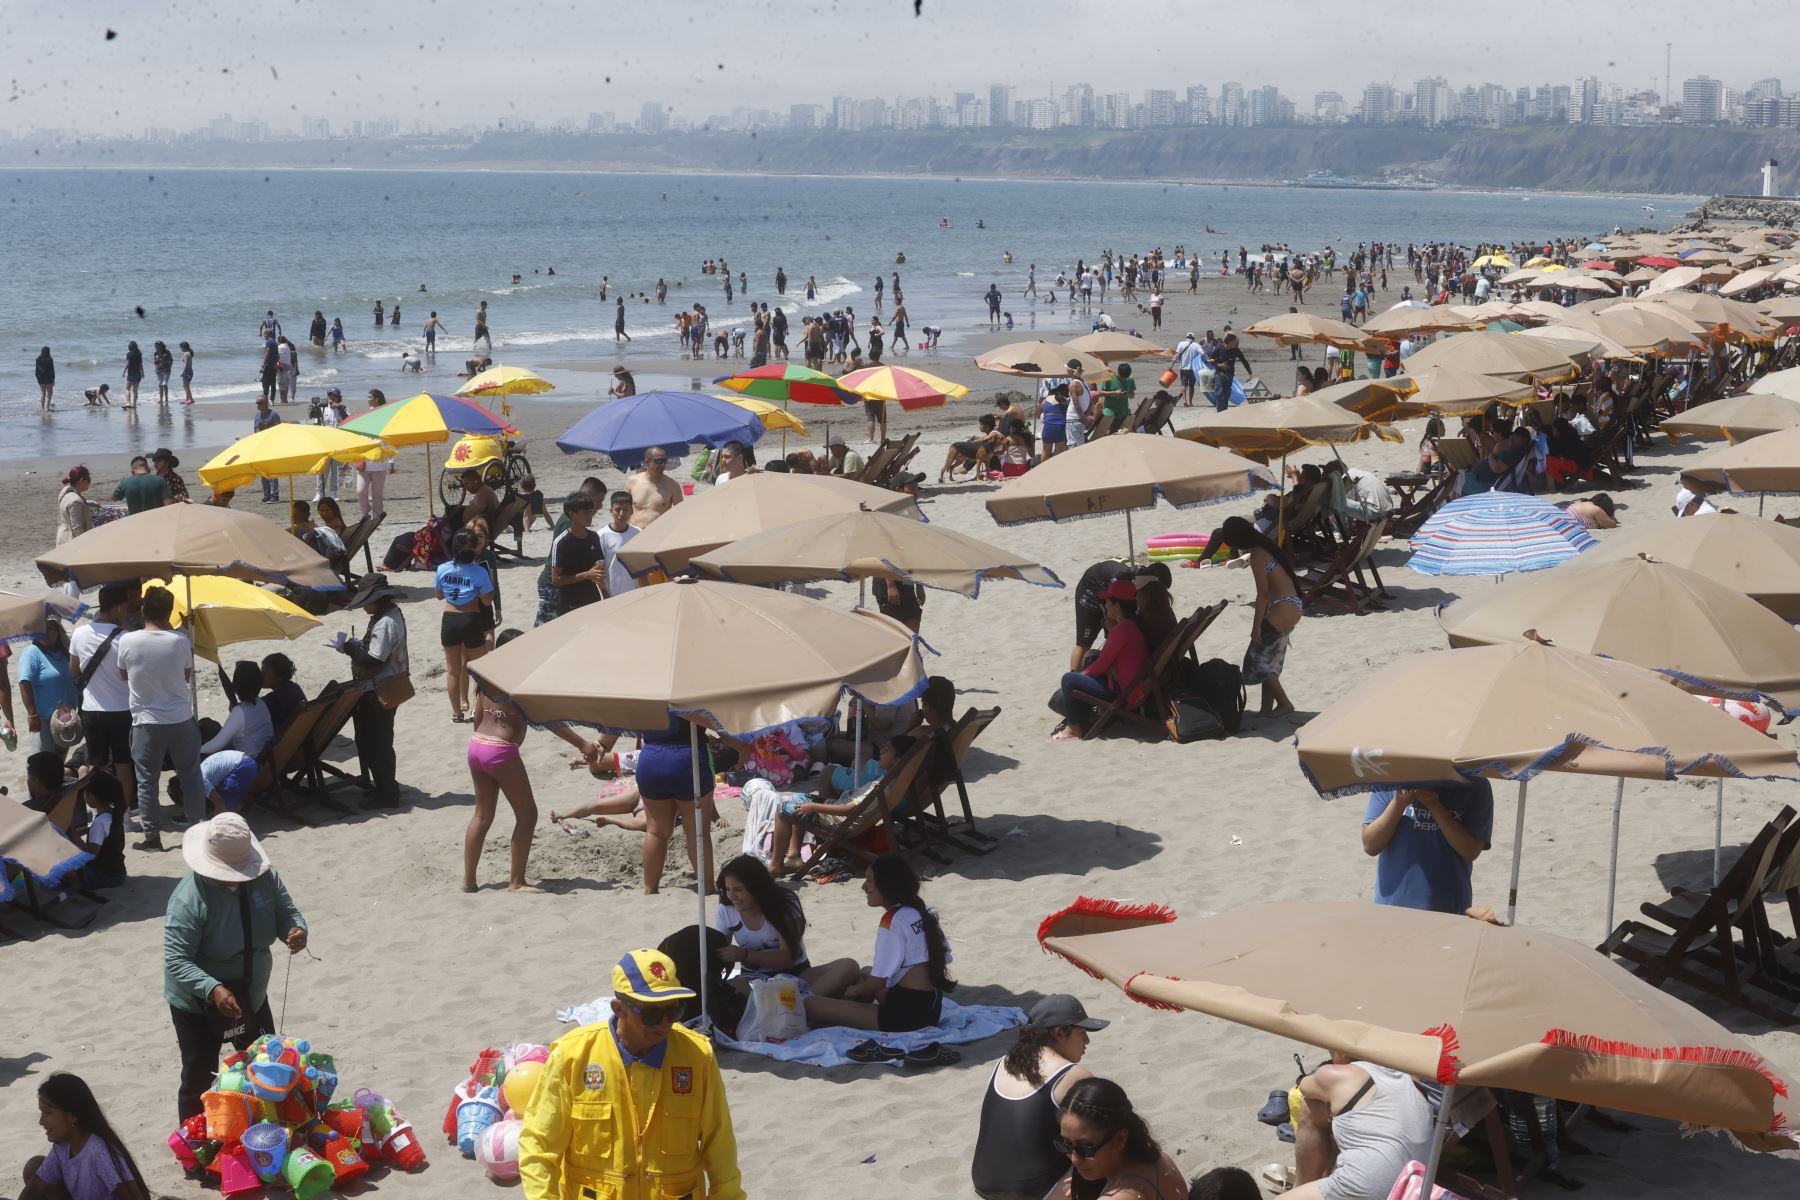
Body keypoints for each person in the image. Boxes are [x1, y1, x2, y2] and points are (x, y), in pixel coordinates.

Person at [517, 948, 745, 1200]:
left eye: (674, 1010)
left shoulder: (697, 1056)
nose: (665, 1023)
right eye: (652, 1014)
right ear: (618, 1008)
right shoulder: (572, 1057)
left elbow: (719, 1143)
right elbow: (539, 1144)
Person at [163, 812, 307, 1124]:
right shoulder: (189, 899)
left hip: (250, 990)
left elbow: (286, 911)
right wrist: (212, 988)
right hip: (197, 1001)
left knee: (265, 1062)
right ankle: (196, 1141)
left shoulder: (266, 878)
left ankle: (262, 1127)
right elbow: (176, 960)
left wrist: (295, 930)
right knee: (199, 1073)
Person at [465, 629, 596, 893]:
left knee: (481, 815)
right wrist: (582, 743)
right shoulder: (519, 684)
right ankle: (516, 882)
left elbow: (478, 718)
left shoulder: (484, 679)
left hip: (477, 746)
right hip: (501, 751)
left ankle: (468, 881)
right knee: (527, 815)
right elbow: (549, 721)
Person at [971, 995, 1106, 1200]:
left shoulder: (1003, 1063)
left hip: (982, 1183)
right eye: (1082, 1032)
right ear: (1060, 1033)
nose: (1087, 1040)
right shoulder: (1072, 1074)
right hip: (1035, 1193)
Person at [803, 854, 954, 1032]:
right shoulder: (923, 910)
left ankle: (841, 1014)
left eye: (869, 881)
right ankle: (847, 1011)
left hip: (906, 1016)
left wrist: (855, 990)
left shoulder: (892, 921)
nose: (864, 887)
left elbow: (876, 984)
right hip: (931, 1005)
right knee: (866, 972)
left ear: (887, 886)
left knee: (811, 1004)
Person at [118, 586, 207, 852]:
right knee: (191, 774)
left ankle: (152, 836)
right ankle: (197, 827)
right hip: (180, 717)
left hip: (147, 720)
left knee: (146, 779)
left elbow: (124, 675)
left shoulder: (128, 641)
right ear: (169, 612)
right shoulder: (180, 640)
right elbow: (186, 675)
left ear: (143, 609)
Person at [1288, 1054, 1436, 1200]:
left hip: (1369, 1185)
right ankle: (1315, 1187)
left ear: (1342, 1052)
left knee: (1311, 1105)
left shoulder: (1334, 1075)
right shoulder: (1410, 1075)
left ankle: (1301, 1186)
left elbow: (1304, 1086)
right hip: (1416, 1182)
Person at [712, 854, 859, 996]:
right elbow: (719, 952)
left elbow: (788, 958)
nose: (731, 896)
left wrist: (744, 955)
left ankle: (796, 1005)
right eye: (727, 889)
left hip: (796, 974)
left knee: (848, 966)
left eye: (738, 889)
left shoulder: (785, 903)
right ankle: (799, 1004)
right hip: (753, 978)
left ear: (757, 887)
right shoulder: (726, 910)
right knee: (727, 989)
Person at [1042, 1077, 1187, 1200]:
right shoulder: (1159, 1158)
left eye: (1085, 1148)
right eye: (1066, 1144)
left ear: (1120, 1139)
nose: (1075, 1159)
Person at [1361, 780, 1493, 914]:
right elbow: (1370, 845)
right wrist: (1398, 804)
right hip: (1392, 908)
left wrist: (1434, 805)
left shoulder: (1475, 785)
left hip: (1448, 911)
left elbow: (1470, 851)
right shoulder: (1392, 779)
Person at [335, 573, 409, 808]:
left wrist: (349, 648)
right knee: (375, 742)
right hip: (383, 686)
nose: (364, 605)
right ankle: (383, 787)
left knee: (376, 744)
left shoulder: (385, 621)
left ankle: (386, 793)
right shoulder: (391, 614)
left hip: (379, 690)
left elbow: (374, 659)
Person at [20, 1072, 150, 1200]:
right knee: (34, 1167)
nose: (41, 1122)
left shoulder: (98, 1152)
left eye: (48, 1112)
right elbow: (35, 1188)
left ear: (73, 1116)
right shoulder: (62, 1148)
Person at [1218, 516, 1300, 720]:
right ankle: (1266, 710)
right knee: (1269, 661)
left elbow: (1262, 593)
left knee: (1255, 662)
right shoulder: (1266, 546)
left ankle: (1285, 703)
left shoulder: (1257, 554)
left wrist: (1256, 626)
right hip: (1293, 605)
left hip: (1282, 607)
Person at [1053, 580, 1146, 741]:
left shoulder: (1123, 630)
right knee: (1090, 660)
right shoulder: (1131, 626)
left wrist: (1082, 675)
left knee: (1068, 679)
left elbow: (1101, 666)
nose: (1106, 605)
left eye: (1108, 602)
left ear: (1117, 606)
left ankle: (1074, 729)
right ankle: (1086, 717)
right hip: (1132, 687)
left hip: (1123, 692)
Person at [636, 715, 717, 895]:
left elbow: (617, 722)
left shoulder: (647, 693)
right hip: (688, 756)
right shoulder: (686, 690)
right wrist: (741, 747)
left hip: (650, 757)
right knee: (698, 832)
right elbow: (712, 719)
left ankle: (650, 889)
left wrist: (599, 745)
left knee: (655, 831)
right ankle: (708, 889)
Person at [70, 584, 137, 796]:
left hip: (92, 710)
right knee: (123, 764)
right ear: (118, 608)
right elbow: (132, 675)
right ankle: (124, 817)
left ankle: (98, 810)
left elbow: (74, 671)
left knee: (95, 765)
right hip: (122, 710)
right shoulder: (126, 637)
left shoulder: (79, 633)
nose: (126, 612)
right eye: (125, 607)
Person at [434, 530, 495, 723]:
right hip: (471, 618)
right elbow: (487, 601)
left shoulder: (443, 568)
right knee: (478, 669)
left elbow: (439, 595)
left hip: (449, 619)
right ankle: (477, 710)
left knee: (453, 670)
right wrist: (475, 592)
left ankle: (456, 713)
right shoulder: (479, 571)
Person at [17, 621, 75, 756]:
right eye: (41, 629)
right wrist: (32, 715)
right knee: (42, 763)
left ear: (58, 632)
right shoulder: (32, 652)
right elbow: (24, 683)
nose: (46, 633)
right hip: (43, 720)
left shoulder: (65, 652)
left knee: (58, 763)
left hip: (65, 719)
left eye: (50, 628)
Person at [199, 660, 275, 758]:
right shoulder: (261, 704)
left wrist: (198, 751)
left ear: (236, 686)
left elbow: (216, 744)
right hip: (264, 758)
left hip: (249, 763)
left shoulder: (240, 712)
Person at [550, 492, 606, 617]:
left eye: (591, 511)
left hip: (593, 601)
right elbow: (556, 580)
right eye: (585, 513)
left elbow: (599, 568)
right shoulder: (561, 542)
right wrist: (586, 575)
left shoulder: (594, 537)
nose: (590, 516)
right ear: (572, 514)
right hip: (569, 605)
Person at [598, 491, 641, 598]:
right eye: (617, 510)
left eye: (626, 509)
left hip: (635, 592)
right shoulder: (602, 535)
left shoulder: (638, 533)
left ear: (631, 511)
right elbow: (599, 569)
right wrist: (604, 593)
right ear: (611, 511)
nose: (621, 514)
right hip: (612, 594)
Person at [627, 449, 683, 527]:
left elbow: (681, 513)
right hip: (636, 534)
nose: (662, 465)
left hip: (660, 534)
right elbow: (624, 508)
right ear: (647, 462)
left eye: (664, 461)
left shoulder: (673, 485)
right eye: (658, 461)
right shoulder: (632, 481)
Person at [259, 653, 305, 735]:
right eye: (261, 670)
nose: (260, 675)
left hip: (284, 743)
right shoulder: (294, 688)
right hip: (299, 737)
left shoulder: (272, 700)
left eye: (265, 672)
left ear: (279, 678)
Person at [57, 465, 93, 552]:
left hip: (62, 538)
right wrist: (87, 546)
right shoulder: (75, 501)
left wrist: (90, 503)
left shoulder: (65, 491)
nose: (89, 483)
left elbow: (69, 506)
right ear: (81, 480)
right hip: (71, 544)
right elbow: (77, 529)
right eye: (88, 480)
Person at [1100, 364, 1135, 435]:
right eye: (1121, 378)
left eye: (1126, 378)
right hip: (1109, 412)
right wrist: (1114, 392)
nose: (1124, 379)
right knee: (1107, 434)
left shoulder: (1130, 379)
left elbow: (1132, 395)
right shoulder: (1108, 376)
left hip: (1123, 412)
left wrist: (1127, 394)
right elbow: (1100, 393)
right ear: (1117, 372)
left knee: (1121, 435)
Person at [36, 346, 56, 413]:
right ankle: (47, 409)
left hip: (41, 379)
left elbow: (36, 371)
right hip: (48, 379)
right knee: (49, 394)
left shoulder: (38, 359)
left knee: (42, 394)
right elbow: (52, 370)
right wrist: (53, 379)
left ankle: (43, 409)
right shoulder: (49, 359)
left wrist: (38, 378)